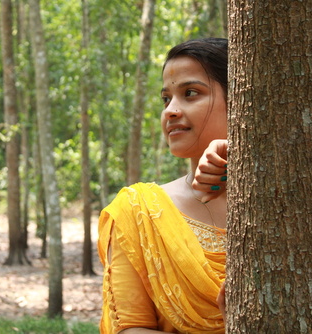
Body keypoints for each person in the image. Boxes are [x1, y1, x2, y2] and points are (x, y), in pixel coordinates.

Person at [98, 38, 229, 333]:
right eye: (166, 99)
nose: (171, 110)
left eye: (190, 93)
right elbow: (131, 328)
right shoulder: (138, 211)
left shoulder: (298, 199)